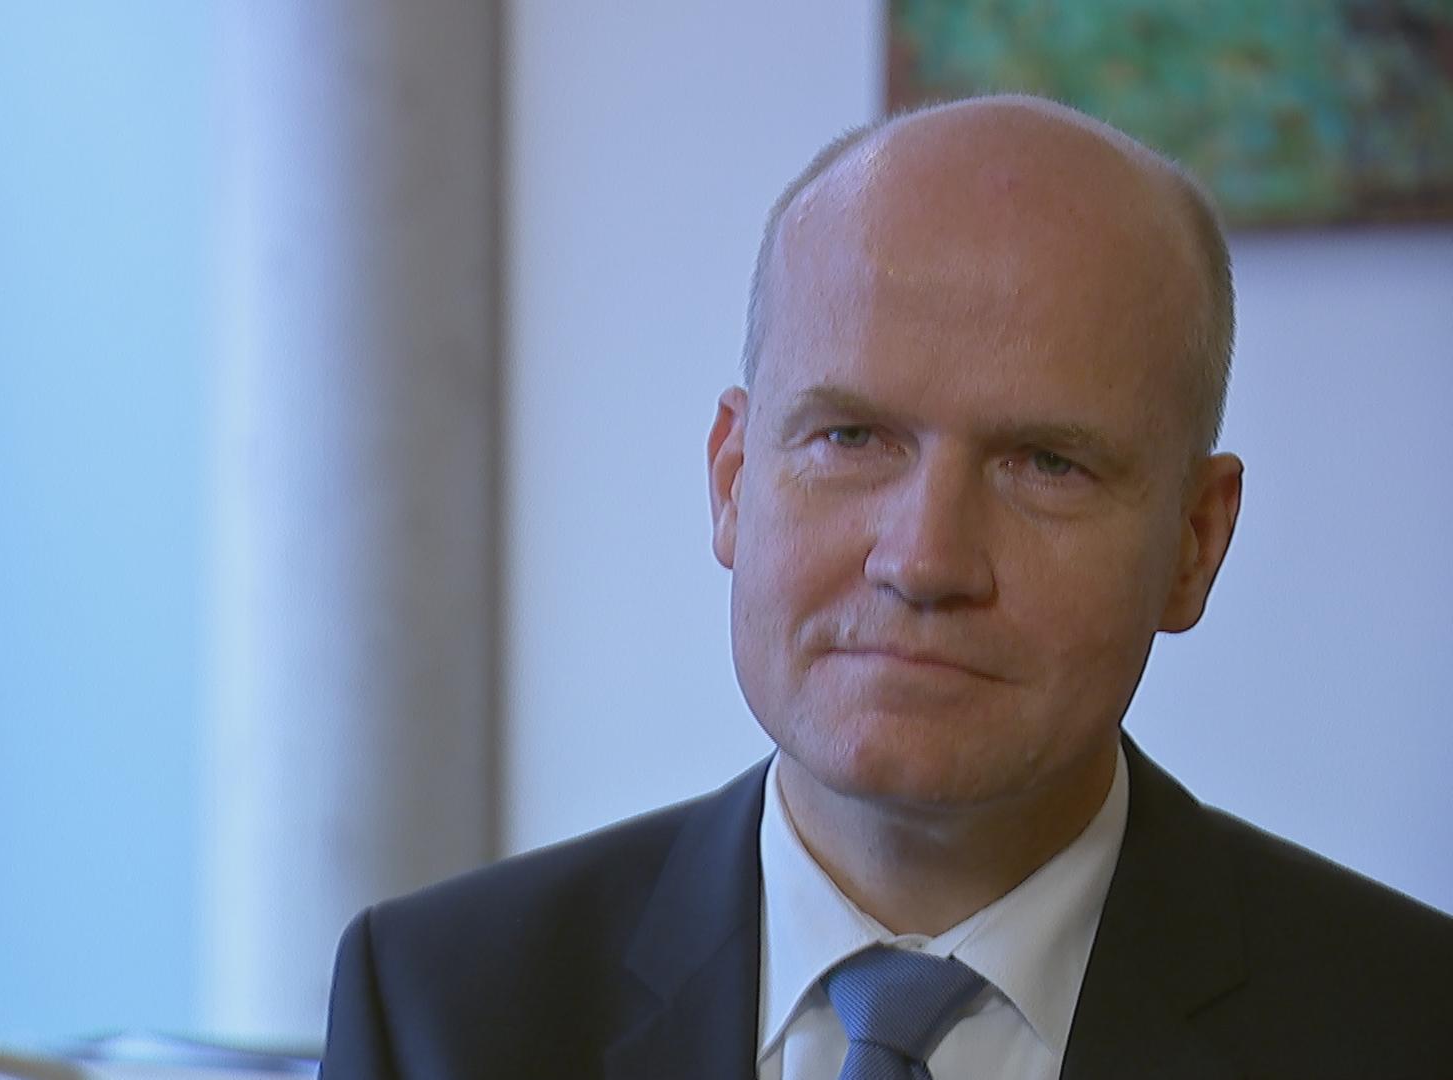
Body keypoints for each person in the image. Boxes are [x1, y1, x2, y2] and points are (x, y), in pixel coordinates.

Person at [316, 95, 1453, 1079]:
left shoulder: (1410, 1027)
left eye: (1046, 464)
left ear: (1196, 544)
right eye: (850, 437)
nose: (924, 561)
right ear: (732, 480)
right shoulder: (437, 1008)